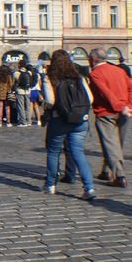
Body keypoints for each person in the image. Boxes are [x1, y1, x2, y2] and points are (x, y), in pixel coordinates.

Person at [40, 50, 96, 200]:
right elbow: (90, 99)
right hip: (79, 121)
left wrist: (45, 104)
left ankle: (50, 185)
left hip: (59, 120)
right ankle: (89, 188)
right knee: (78, 152)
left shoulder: (49, 78)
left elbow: (51, 102)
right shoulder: (79, 77)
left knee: (53, 152)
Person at [88, 48, 132, 188]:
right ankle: (106, 171)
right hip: (124, 113)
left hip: (107, 113)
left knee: (110, 144)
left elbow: (106, 93)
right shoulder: (119, 70)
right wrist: (128, 106)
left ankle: (119, 176)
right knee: (116, 144)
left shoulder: (95, 74)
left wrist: (121, 107)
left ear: (93, 60)